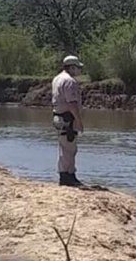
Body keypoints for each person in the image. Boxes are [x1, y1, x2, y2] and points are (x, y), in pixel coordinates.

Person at [52, 55, 85, 186]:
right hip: (67, 118)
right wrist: (78, 120)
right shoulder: (69, 81)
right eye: (78, 68)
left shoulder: (57, 78)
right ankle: (68, 176)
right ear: (72, 67)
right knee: (70, 148)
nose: (79, 71)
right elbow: (72, 104)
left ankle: (66, 175)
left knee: (64, 147)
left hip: (58, 117)